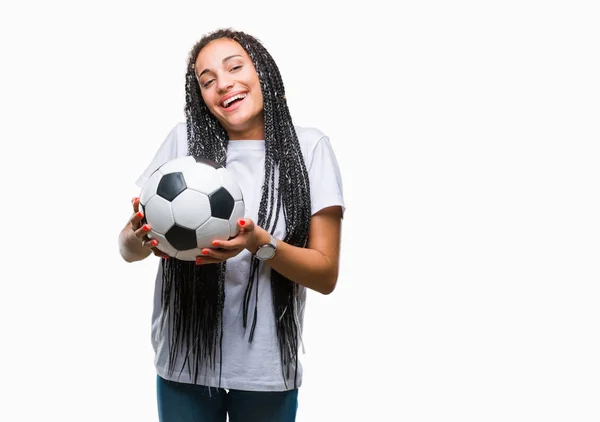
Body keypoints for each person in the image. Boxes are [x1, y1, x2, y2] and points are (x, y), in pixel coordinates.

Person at [118, 28, 345, 422]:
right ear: (201, 97)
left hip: (266, 368)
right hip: (185, 361)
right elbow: (126, 247)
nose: (223, 84)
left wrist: (259, 243)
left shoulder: (309, 148)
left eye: (234, 67)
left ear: (264, 73)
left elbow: (325, 275)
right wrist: (141, 239)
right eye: (207, 81)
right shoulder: (185, 141)